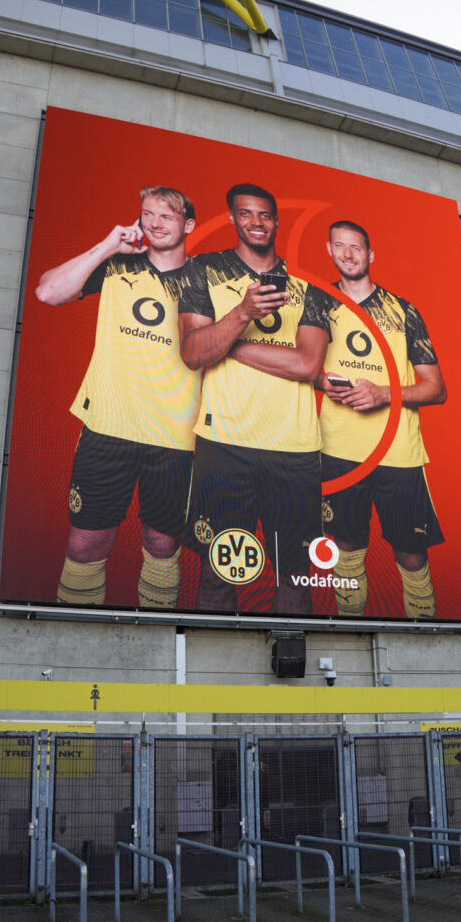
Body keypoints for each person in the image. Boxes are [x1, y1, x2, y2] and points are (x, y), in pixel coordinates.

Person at [35, 186, 198, 609]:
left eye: (166, 216)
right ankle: (77, 634)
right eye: (147, 214)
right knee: (85, 546)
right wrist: (108, 245)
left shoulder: (207, 278)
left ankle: (160, 637)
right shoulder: (116, 264)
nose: (154, 224)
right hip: (108, 427)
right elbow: (48, 293)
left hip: (176, 436)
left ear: (188, 225)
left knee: (163, 544)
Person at [179, 183, 334, 614]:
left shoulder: (309, 288)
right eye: (246, 213)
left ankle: (293, 655)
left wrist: (226, 342)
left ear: (277, 222)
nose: (256, 222)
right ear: (232, 218)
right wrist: (242, 313)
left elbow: (307, 365)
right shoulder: (202, 270)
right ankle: (210, 657)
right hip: (224, 445)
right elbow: (193, 353)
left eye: (264, 214)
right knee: (217, 571)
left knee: (295, 577)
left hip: (295, 450)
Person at [319, 220, 447, 618]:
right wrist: (321, 380)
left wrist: (383, 393)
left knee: (412, 554)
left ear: (370, 254)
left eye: (356, 247)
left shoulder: (403, 311)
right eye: (340, 246)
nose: (347, 254)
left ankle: (425, 637)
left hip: (398, 454)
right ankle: (348, 635)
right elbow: (301, 363)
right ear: (329, 250)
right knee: (346, 549)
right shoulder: (317, 303)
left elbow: (436, 389)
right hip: (338, 450)